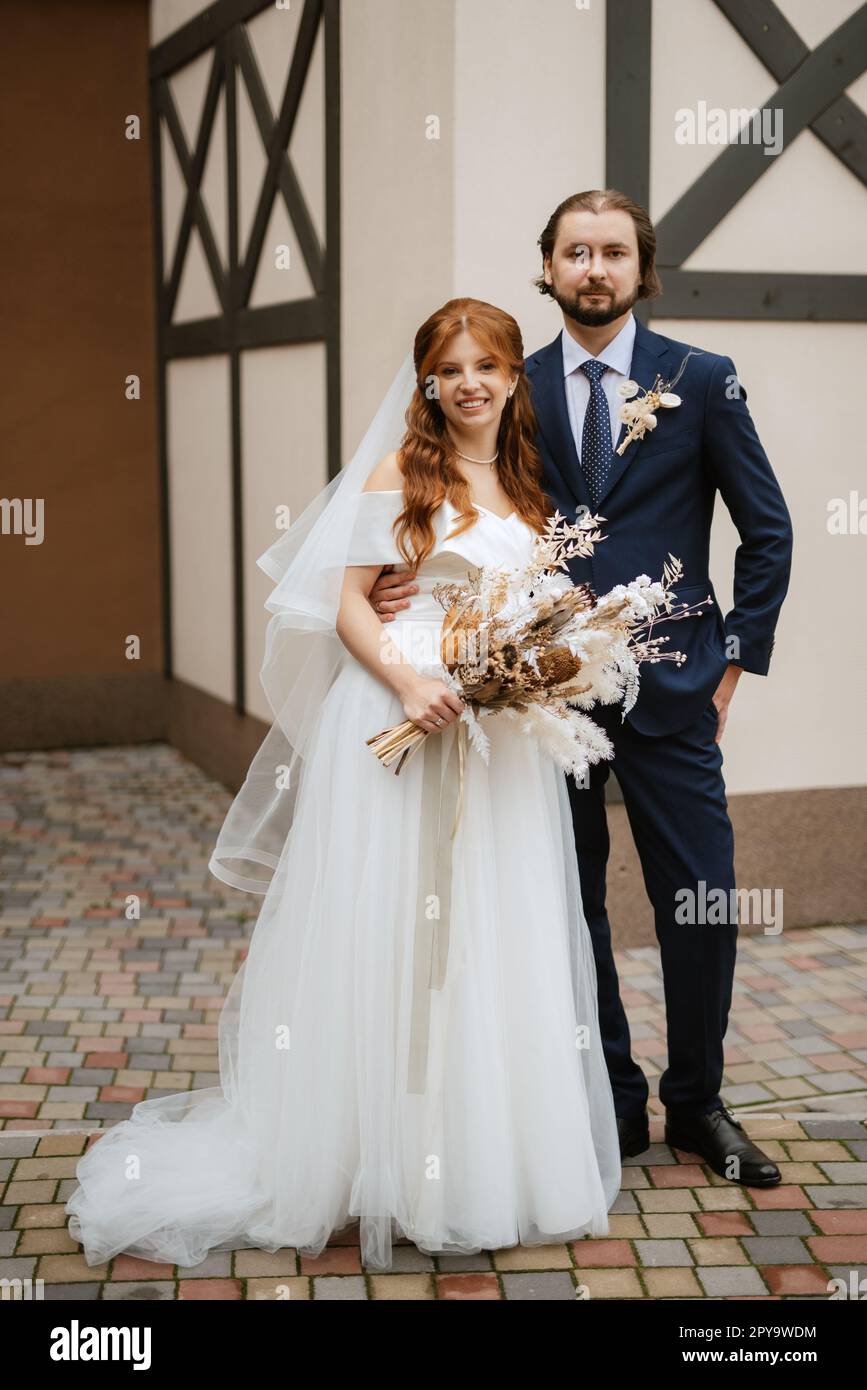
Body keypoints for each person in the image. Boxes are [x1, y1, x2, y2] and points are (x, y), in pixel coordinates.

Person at [65, 299, 621, 1273]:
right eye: (449, 369)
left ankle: (485, 1167)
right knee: (392, 935)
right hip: (394, 725)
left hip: (496, 750)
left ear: (510, 376)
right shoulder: (402, 472)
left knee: (490, 937)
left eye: (486, 365)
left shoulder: (526, 481)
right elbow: (348, 605)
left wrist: (537, 655)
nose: (469, 384)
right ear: (428, 383)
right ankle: (371, 1162)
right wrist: (413, 681)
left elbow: (525, 598)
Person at [370, 190, 793, 1188]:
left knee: (699, 895)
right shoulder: (514, 384)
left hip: (677, 687)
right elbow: (457, 473)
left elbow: (768, 531)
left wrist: (734, 664)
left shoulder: (702, 379)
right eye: (574, 252)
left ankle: (699, 1101)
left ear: (640, 268)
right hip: (539, 701)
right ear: (549, 269)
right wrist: (407, 559)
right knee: (568, 900)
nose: (593, 269)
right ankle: (610, 1091)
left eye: (611, 252)